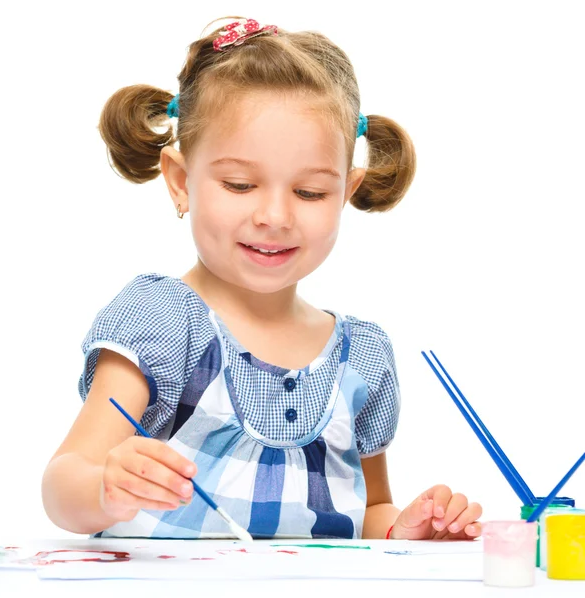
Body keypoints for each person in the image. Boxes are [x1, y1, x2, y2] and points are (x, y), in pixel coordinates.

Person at [41, 16, 482, 541]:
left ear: (346, 191)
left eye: (311, 192)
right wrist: (103, 489)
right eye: (241, 183)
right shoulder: (163, 322)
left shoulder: (361, 357)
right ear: (181, 182)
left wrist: (408, 530)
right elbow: (63, 484)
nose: (275, 215)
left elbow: (369, 510)